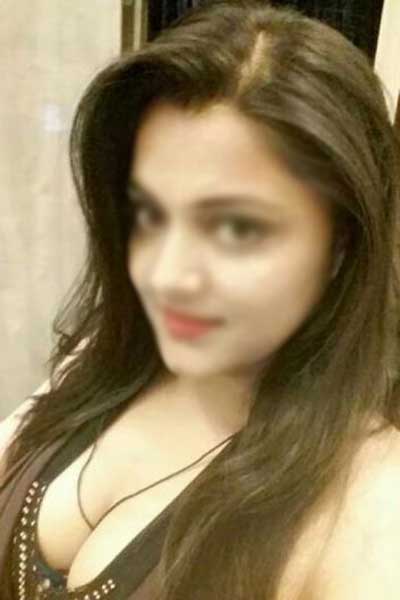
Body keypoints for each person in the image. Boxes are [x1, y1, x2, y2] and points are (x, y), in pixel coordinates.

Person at [1, 0, 400, 598]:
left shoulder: (368, 505)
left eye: (237, 228)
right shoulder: (106, 356)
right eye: (149, 214)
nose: (167, 275)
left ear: (340, 244)